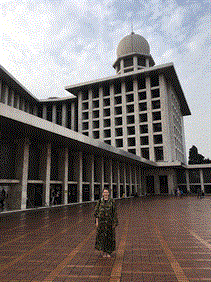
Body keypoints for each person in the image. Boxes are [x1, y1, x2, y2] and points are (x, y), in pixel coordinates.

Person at [94, 189, 118, 258]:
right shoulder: (99, 201)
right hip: (102, 223)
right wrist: (97, 222)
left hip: (109, 223)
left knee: (109, 237)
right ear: (102, 194)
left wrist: (114, 222)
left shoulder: (112, 201)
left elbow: (114, 212)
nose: (106, 193)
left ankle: (108, 252)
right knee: (102, 237)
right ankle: (103, 252)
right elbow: (96, 212)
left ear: (109, 193)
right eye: (104, 192)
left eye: (107, 192)